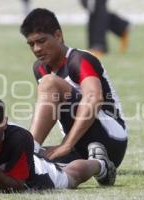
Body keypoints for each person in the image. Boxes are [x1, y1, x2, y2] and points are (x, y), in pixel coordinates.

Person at [20, 8, 128, 185]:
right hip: (80, 149)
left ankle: (29, 149)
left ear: (58, 35)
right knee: (38, 167)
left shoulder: (79, 59)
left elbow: (94, 98)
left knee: (49, 83)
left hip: (109, 141)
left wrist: (66, 145)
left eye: (41, 41)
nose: (37, 49)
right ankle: (101, 168)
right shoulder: (39, 67)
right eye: (31, 44)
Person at [0, 96, 112, 192]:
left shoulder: (19, 138)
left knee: (71, 176)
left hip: (31, 175)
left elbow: (16, 188)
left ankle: (99, 164)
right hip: (2, 168)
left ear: (4, 123)